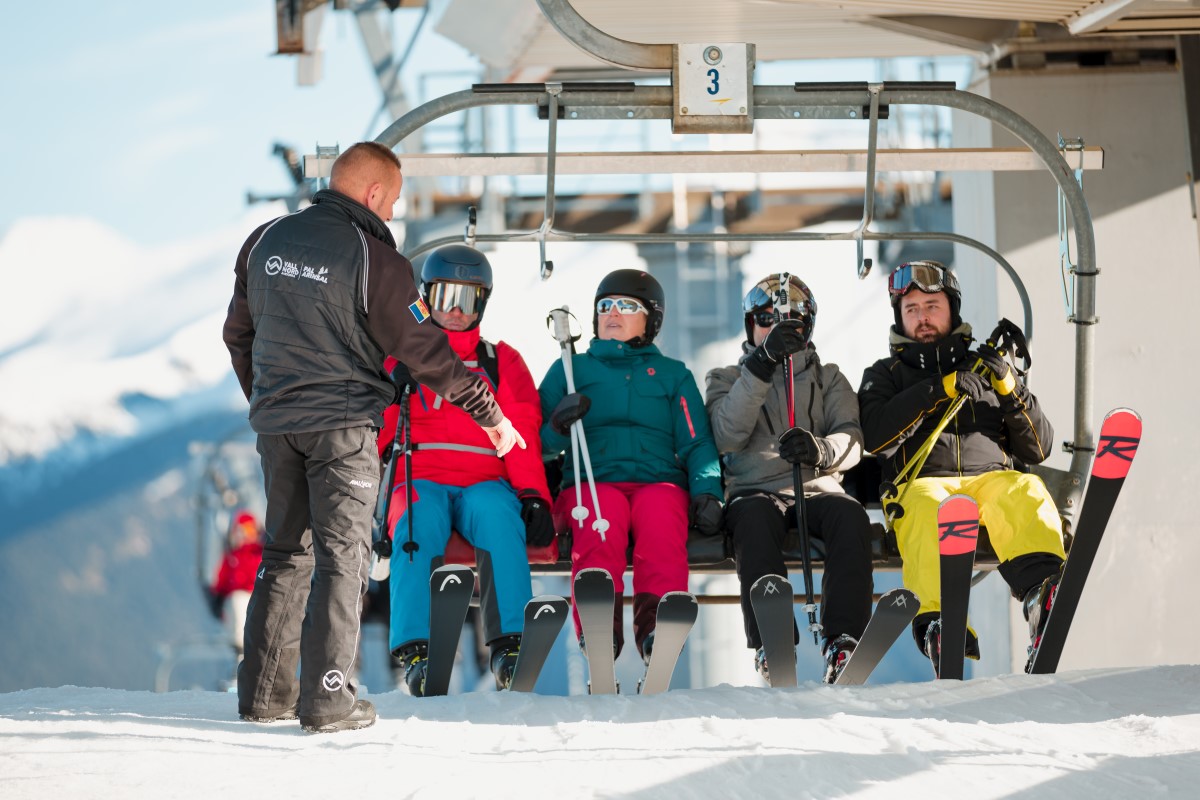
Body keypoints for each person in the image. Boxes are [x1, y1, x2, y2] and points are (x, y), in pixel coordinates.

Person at [222, 141, 524, 733]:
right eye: (393, 205)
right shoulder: (375, 258)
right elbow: (425, 350)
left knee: (284, 553)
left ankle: (263, 697)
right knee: (343, 558)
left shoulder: (264, 240)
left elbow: (238, 334)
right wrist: (489, 413)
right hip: (343, 430)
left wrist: (270, 398)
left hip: (278, 425)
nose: (391, 216)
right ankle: (329, 699)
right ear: (374, 193)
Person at [857, 259, 1065, 669]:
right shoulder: (885, 375)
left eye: (932, 306)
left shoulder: (986, 367)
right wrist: (938, 389)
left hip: (990, 478)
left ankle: (1042, 592)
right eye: (911, 309)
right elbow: (876, 435)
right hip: (923, 482)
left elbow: (1039, 447)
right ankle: (940, 622)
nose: (922, 318)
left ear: (951, 309)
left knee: (1025, 489)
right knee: (927, 509)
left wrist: (1007, 386)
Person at [380, 244, 553, 696]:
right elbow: (375, 435)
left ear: (483, 304)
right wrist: (387, 392)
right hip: (420, 474)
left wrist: (533, 494)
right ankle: (417, 650)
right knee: (419, 520)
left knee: (500, 517)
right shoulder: (400, 361)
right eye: (445, 298)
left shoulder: (501, 361)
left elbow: (521, 433)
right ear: (426, 299)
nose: (455, 312)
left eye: (468, 299)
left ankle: (509, 645)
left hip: (483, 479)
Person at [538, 269, 723, 664]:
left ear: (651, 319)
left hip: (658, 482)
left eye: (626, 306)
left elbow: (697, 441)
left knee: (660, 523)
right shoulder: (571, 370)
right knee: (600, 523)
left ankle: (657, 625)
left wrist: (708, 491)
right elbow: (532, 444)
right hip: (592, 481)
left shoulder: (673, 375)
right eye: (605, 306)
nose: (612, 313)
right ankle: (599, 625)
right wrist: (557, 428)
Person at [705, 274, 873, 684]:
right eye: (764, 320)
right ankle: (772, 639)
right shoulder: (726, 378)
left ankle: (843, 638)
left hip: (816, 485)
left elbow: (851, 435)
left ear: (807, 328)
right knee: (751, 524)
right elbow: (727, 435)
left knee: (851, 519)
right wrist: (761, 367)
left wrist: (821, 450)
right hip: (755, 490)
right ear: (751, 326)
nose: (775, 328)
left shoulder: (827, 377)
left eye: (789, 322)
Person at [208, 509, 265, 660]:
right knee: (236, 604)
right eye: (240, 530)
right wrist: (218, 596)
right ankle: (239, 646)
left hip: (255, 596)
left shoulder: (260, 553)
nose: (244, 535)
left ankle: (244, 645)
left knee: (239, 602)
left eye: (248, 530)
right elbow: (223, 577)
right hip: (238, 598)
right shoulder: (234, 556)